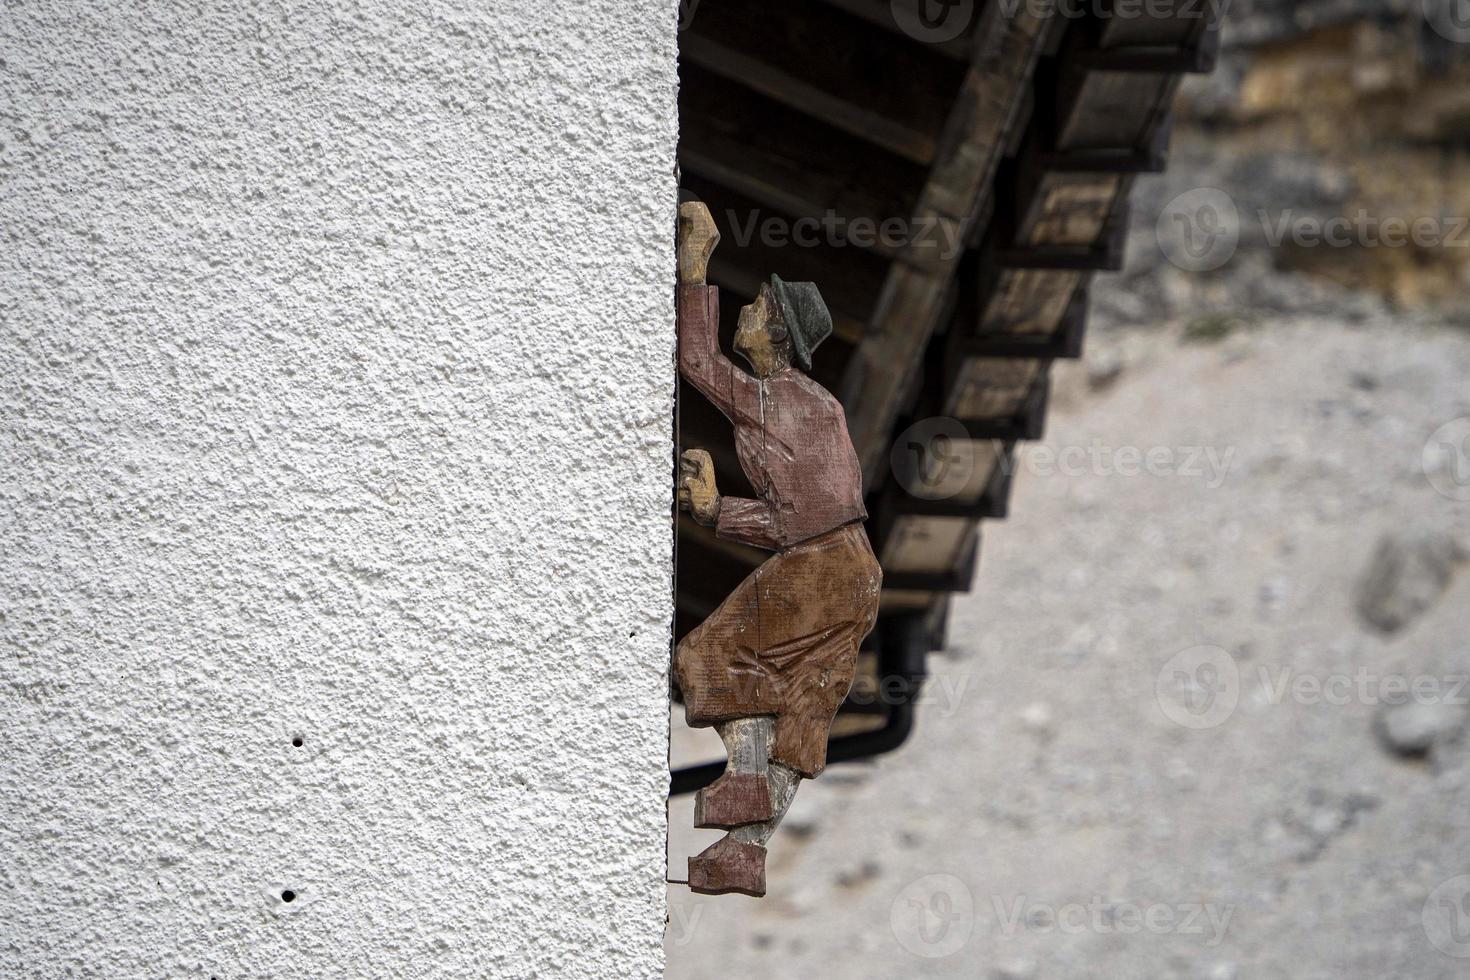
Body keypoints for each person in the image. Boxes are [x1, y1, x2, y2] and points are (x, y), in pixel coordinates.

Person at [675, 202, 882, 897]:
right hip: (845, 571)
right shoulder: (809, 406)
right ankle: (744, 849)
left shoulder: (781, 400)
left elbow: (697, 359)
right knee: (803, 707)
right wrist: (715, 511)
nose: (745, 311)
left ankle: (742, 782)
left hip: (824, 568)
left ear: (777, 334)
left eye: (756, 306)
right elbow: (795, 517)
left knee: (710, 653)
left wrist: (697, 262)